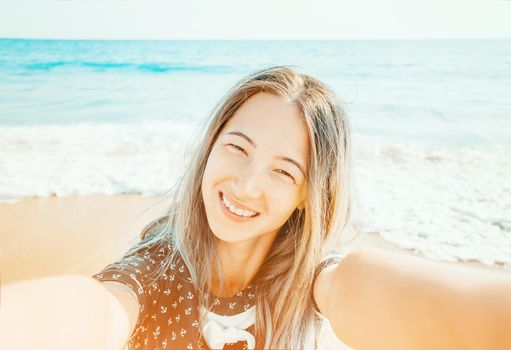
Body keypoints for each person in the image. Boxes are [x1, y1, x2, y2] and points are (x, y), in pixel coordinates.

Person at [1, 66, 510, 350]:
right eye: (237, 148)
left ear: (308, 195)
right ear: (210, 146)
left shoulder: (318, 279)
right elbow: (92, 310)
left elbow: (391, 298)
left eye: (284, 171)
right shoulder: (154, 271)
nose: (245, 185)